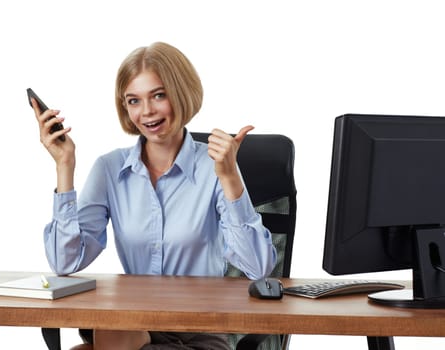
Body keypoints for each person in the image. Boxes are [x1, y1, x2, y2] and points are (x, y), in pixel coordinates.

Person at [32, 42, 277, 350]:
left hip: (200, 332)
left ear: (181, 92)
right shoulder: (110, 169)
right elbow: (64, 261)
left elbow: (258, 268)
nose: (146, 112)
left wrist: (229, 177)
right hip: (135, 325)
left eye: (158, 95)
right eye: (133, 101)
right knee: (111, 329)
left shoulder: (215, 168)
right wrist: (64, 166)